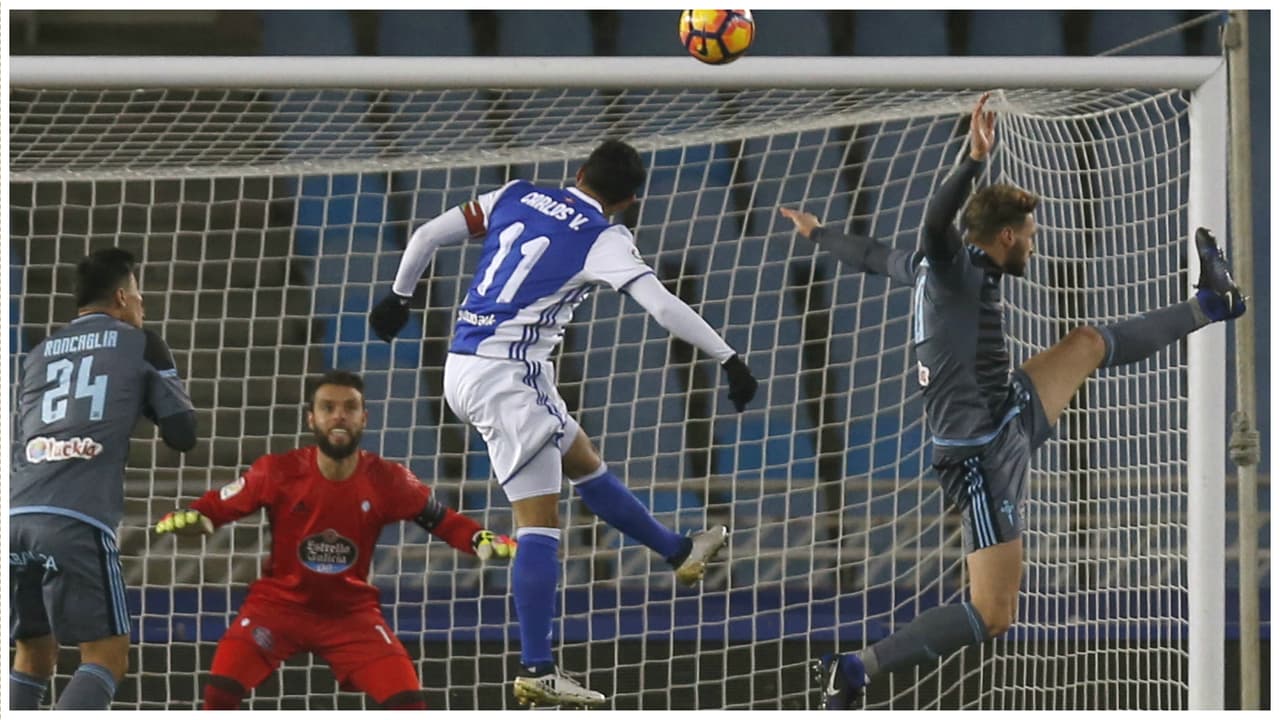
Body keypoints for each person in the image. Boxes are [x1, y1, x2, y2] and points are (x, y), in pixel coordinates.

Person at [780, 93, 1247, 709]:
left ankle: (1213, 303)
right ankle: (855, 668)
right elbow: (931, 221)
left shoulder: (939, 266)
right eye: (1030, 234)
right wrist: (973, 160)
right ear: (1006, 236)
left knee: (1084, 344)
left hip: (1005, 410)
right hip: (979, 457)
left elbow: (872, 257)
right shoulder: (948, 265)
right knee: (992, 614)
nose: (1034, 242)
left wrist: (819, 234)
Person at [368, 139, 759, 706]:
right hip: (509, 378)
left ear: (577, 173)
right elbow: (663, 306)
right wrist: (730, 358)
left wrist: (398, 297)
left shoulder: (517, 193)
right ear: (627, 201)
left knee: (581, 458)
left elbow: (428, 234)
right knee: (539, 524)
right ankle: (537, 667)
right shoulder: (605, 237)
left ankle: (678, 551)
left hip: (464, 362)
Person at [153, 370, 516, 710]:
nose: (339, 416)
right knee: (219, 693)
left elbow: (442, 520)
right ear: (312, 419)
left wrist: (479, 539)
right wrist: (195, 518)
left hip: (351, 615)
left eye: (350, 408)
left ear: (364, 419)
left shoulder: (388, 480)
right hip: (278, 609)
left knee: (410, 704)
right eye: (328, 408)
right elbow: (216, 508)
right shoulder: (277, 472)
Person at [9, 247, 199, 710]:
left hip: (14, 513)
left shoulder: (38, 353)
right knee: (107, 657)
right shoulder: (140, 343)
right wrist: (161, 379)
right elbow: (183, 435)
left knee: (33, 652)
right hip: (75, 519)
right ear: (121, 295)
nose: (141, 305)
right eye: (138, 295)